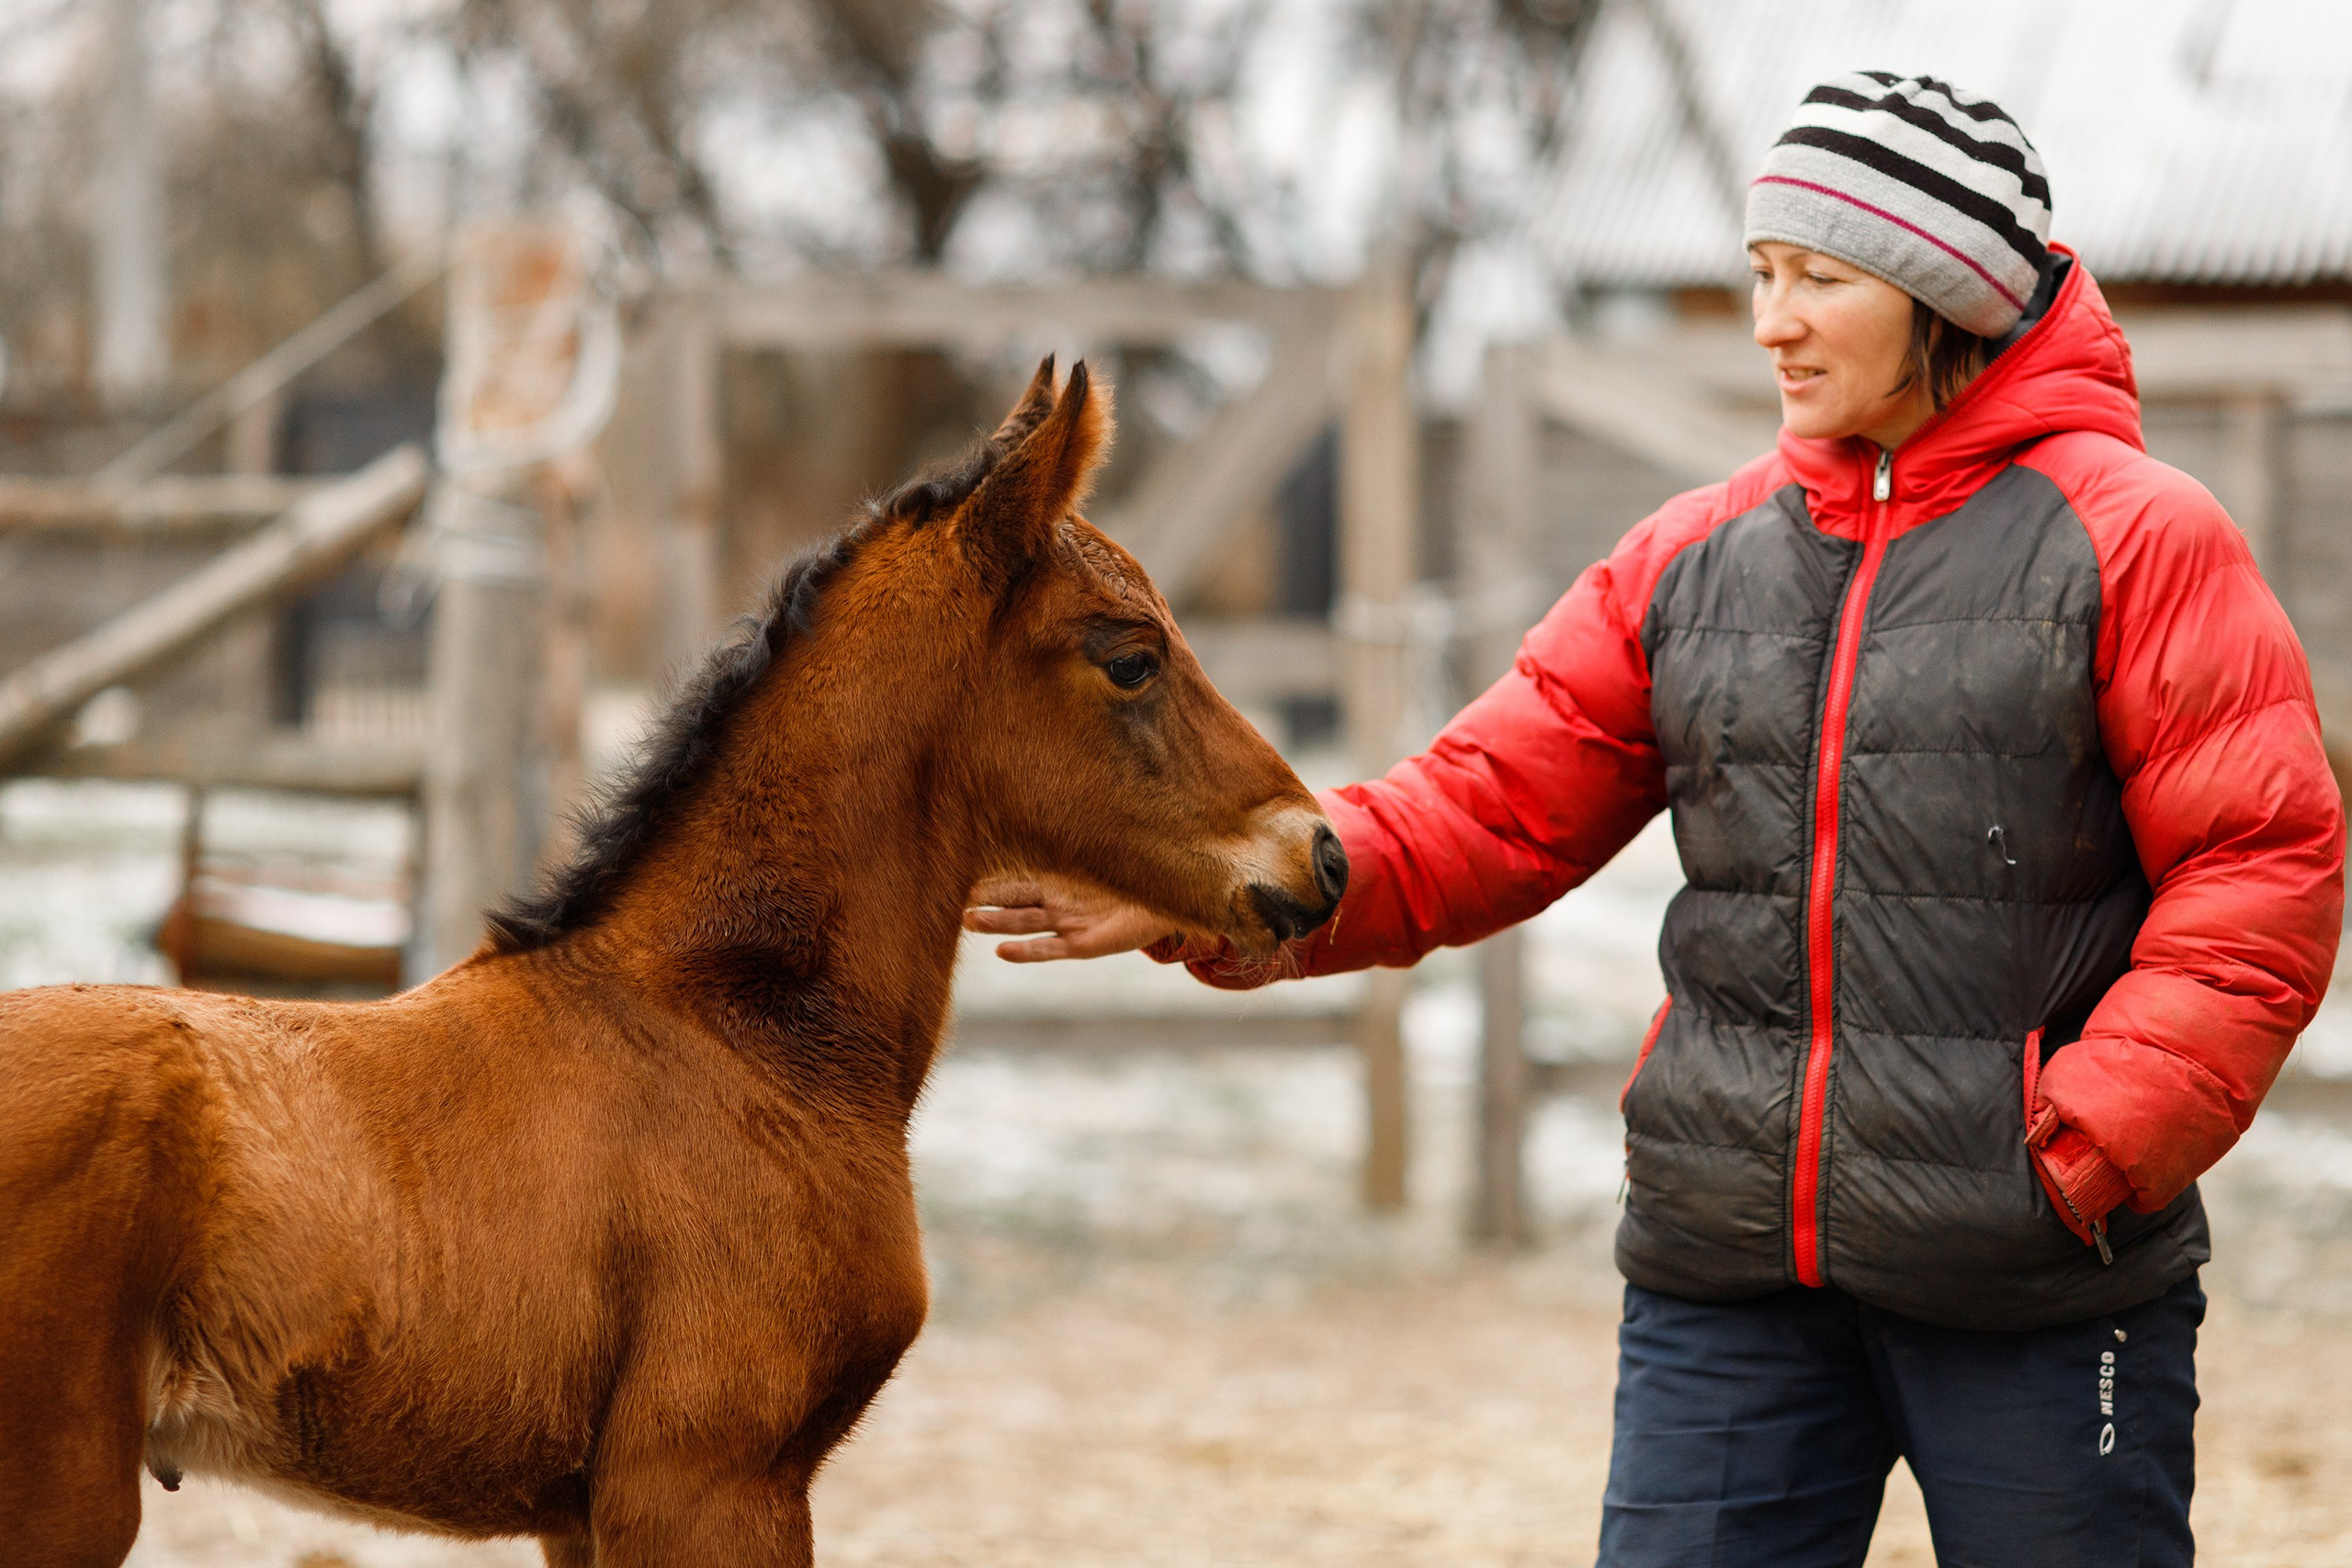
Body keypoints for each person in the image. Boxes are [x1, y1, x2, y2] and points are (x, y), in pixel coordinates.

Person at [965, 73, 2346, 1566]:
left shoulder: (2139, 538)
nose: (1774, 320)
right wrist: (1213, 889)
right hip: (1730, 1274)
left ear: (1946, 296)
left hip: (2041, 1280)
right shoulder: (1693, 559)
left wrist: (2088, 1147)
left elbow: (2262, 867)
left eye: (1821, 277)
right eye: (1762, 275)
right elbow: (1484, 809)